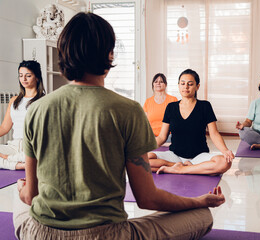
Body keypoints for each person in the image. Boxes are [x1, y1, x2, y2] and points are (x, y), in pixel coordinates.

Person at [14, 12, 225, 240]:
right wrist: (198, 201)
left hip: (40, 234)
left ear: (63, 54)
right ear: (109, 54)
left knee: (21, 206)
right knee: (202, 216)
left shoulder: (36, 109)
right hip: (106, 234)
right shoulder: (128, 110)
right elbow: (147, 199)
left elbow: (31, 195)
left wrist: (21, 189)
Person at [148, 69, 234, 175]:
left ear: (197, 86)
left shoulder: (205, 106)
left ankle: (180, 169)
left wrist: (225, 150)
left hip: (199, 156)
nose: (186, 87)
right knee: (141, 159)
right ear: (178, 85)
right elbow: (162, 137)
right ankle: (183, 167)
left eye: (190, 84)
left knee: (224, 162)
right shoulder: (171, 107)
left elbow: (214, 133)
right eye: (182, 83)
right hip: (174, 156)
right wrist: (143, 150)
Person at [0, 60, 45, 170]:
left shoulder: (44, 100)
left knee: (40, 156)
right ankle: (19, 165)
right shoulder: (14, 100)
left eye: (28, 76)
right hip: (14, 145)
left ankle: (10, 161)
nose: (23, 79)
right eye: (21, 75)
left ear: (37, 77)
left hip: (32, 146)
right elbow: (5, 128)